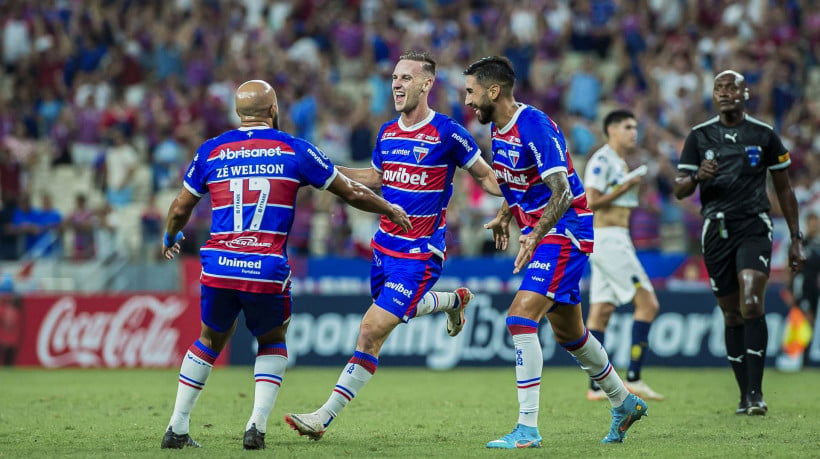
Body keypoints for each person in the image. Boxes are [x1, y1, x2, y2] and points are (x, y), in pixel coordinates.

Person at [159, 79, 411, 450]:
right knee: (272, 341)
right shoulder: (293, 149)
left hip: (219, 265)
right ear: (274, 111)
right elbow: (350, 190)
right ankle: (256, 428)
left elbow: (181, 207)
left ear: (238, 113)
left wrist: (169, 237)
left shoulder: (212, 150)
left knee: (209, 339)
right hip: (265, 267)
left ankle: (177, 428)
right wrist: (388, 207)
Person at [284, 51, 502, 440]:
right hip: (383, 249)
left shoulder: (448, 133)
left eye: (406, 77)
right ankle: (453, 301)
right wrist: (326, 173)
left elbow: (485, 178)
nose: (397, 84)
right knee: (382, 329)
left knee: (370, 330)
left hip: (420, 253)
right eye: (394, 77)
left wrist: (521, 199)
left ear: (426, 84)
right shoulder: (386, 132)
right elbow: (375, 177)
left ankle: (322, 418)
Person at [462, 56, 647, 448]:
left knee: (519, 318)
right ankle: (624, 401)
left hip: (564, 230)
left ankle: (527, 428)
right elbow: (517, 183)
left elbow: (562, 192)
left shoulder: (535, 125)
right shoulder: (499, 127)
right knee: (572, 335)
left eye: (471, 92)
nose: (468, 100)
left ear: (493, 91)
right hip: (544, 231)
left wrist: (534, 234)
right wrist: (504, 216)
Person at [673, 70, 806, 415]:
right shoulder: (699, 136)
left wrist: (795, 238)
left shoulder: (764, 134)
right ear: (713, 95)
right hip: (716, 230)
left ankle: (757, 393)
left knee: (751, 301)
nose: (725, 92)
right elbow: (679, 188)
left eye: (732, 87)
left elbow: (784, 188)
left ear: (746, 93)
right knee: (731, 314)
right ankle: (744, 394)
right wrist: (696, 177)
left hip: (754, 226)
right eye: (719, 87)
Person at [582, 109, 664, 401]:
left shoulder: (618, 161)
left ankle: (595, 386)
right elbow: (590, 201)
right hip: (609, 239)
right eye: (628, 127)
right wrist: (626, 186)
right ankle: (635, 378)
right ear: (612, 129)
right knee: (648, 303)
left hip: (613, 238)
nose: (634, 133)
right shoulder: (602, 160)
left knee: (601, 312)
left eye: (635, 127)